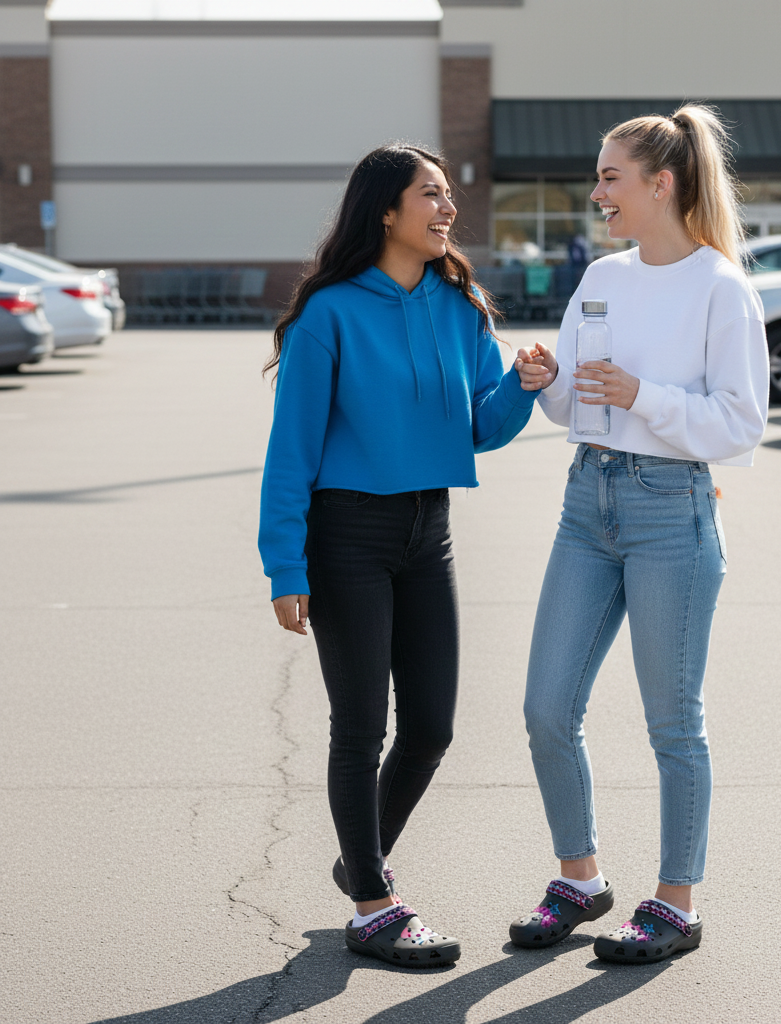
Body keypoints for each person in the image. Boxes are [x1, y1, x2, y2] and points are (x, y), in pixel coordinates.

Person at [258, 145, 549, 968]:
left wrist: (521, 385)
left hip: (431, 531)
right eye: (431, 194)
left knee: (430, 728)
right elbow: (292, 450)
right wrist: (286, 565)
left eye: (450, 194)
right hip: (345, 536)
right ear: (385, 211)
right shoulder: (332, 313)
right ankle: (373, 903)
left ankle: (360, 859)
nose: (448, 207)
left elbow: (479, 428)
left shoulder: (462, 307)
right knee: (360, 728)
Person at [510, 104, 769, 963]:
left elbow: (741, 426)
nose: (597, 195)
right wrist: (546, 382)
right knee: (547, 708)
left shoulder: (721, 287)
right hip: (588, 502)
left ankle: (675, 903)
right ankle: (580, 881)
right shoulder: (604, 278)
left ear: (660, 184)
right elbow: (576, 408)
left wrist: (641, 399)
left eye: (610, 178)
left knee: (672, 723)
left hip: (671, 513)